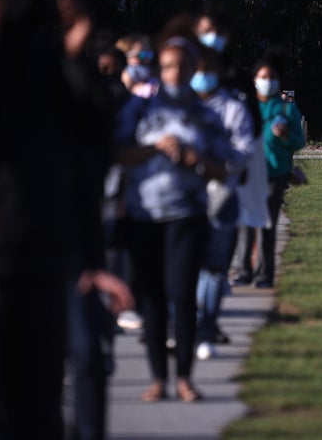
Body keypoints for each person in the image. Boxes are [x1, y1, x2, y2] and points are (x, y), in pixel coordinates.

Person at [0, 0, 131, 439]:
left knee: (34, 408)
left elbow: (93, 146)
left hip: (40, 264)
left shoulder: (50, 74)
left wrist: (74, 55)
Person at [114, 30, 230, 402]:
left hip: (186, 215)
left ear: (194, 68)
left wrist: (197, 161)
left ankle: (183, 377)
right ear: (158, 72)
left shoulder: (204, 115)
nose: (174, 73)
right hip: (144, 214)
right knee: (152, 298)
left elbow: (224, 170)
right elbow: (118, 153)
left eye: (182, 66)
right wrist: (153, 149)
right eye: (167, 66)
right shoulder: (139, 108)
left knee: (181, 294)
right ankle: (157, 378)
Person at [191, 47, 255, 360]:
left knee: (214, 268)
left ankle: (205, 329)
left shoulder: (233, 108)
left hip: (220, 194)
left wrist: (216, 166)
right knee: (183, 268)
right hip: (183, 197)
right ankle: (183, 326)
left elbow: (243, 152)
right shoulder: (177, 106)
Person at [252, 55, 306, 288]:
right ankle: (245, 269)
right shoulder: (248, 105)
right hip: (249, 173)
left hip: (276, 172)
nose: (267, 81)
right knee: (246, 225)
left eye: (271, 77)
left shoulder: (286, 108)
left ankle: (266, 274)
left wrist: (284, 136)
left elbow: (299, 141)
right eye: (263, 77)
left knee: (267, 224)